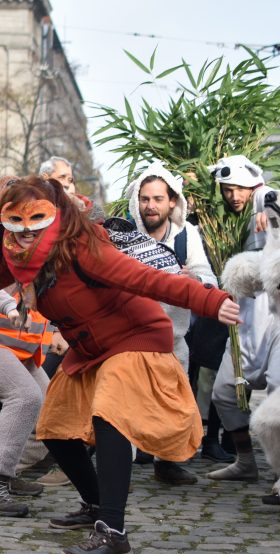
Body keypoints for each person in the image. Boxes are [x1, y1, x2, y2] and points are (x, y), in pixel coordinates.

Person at [0, 176, 240, 554]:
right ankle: (97, 503)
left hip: (133, 337)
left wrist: (210, 301)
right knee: (55, 426)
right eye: (17, 221)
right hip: (89, 348)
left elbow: (148, 280)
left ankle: (113, 532)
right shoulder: (16, 257)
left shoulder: (83, 249)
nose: (27, 231)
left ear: (55, 215)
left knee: (109, 417)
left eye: (36, 220)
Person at [125, 161, 218, 485]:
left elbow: (209, 278)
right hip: (130, 337)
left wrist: (193, 277)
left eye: (158, 199)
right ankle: (119, 465)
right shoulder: (124, 235)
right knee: (126, 401)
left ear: (172, 201)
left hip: (173, 336)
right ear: (137, 200)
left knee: (175, 402)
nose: (151, 206)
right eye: (145, 199)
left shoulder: (186, 235)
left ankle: (168, 463)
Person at [206, 155, 280, 483]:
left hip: (279, 320)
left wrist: (271, 211)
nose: (234, 196)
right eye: (227, 190)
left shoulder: (267, 200)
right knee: (224, 393)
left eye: (240, 188)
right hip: (244, 318)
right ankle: (245, 461)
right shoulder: (226, 221)